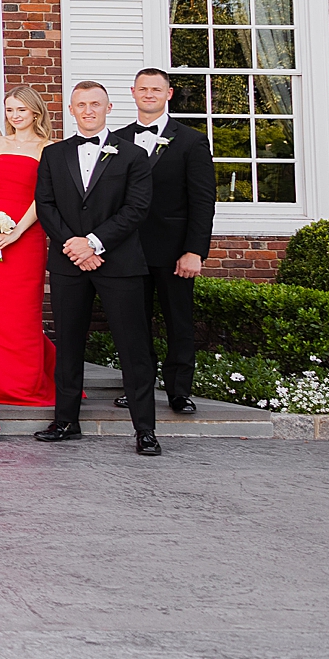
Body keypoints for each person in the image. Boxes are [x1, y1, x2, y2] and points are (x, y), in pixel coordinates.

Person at [34, 80, 160, 456]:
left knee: (133, 346)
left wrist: (94, 243)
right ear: (70, 110)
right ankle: (66, 420)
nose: (88, 110)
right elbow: (46, 205)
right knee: (69, 344)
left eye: (95, 104)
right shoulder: (54, 154)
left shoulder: (133, 155)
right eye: (80, 105)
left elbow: (136, 208)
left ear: (108, 108)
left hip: (118, 262)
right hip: (69, 263)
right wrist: (75, 247)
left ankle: (145, 429)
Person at [114, 67, 216, 417]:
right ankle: (137, 388)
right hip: (127, 249)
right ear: (133, 92)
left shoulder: (191, 140)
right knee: (133, 324)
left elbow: (203, 200)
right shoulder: (116, 140)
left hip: (174, 251)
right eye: (143, 88)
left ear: (168, 94)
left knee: (178, 320)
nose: (149, 94)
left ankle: (179, 391)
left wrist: (194, 250)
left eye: (156, 89)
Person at [0, 85, 56, 407]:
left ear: (34, 111)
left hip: (27, 235)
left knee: (22, 311)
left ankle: (24, 382)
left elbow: (42, 198)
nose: (14, 116)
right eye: (9, 110)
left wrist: (17, 232)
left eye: (20, 109)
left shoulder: (48, 148)